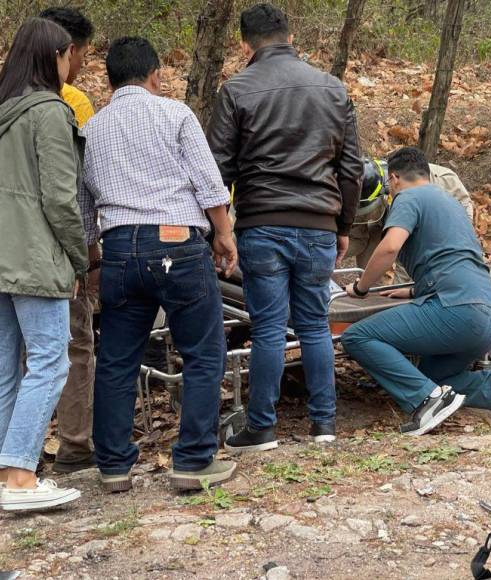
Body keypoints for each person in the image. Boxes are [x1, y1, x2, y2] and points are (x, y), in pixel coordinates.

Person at [81, 37, 237, 492]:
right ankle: (192, 461)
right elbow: (209, 183)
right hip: (177, 243)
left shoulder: (91, 129)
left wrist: (93, 260)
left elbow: (83, 203)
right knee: (203, 353)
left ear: (109, 82)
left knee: (116, 361)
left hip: (118, 250)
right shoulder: (174, 113)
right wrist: (224, 235)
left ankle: (113, 466)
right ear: (155, 76)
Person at [207, 3, 362, 450]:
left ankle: (263, 427)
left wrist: (220, 229)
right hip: (318, 223)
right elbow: (350, 168)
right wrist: (343, 224)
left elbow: (219, 167)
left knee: (270, 326)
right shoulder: (333, 89)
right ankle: (325, 425)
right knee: (314, 323)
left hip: (262, 223)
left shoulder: (236, 89)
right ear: (291, 37)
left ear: (244, 43)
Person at [0, 17, 88, 511]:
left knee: (2, 364)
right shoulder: (49, 112)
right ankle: (21, 474)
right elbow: (62, 200)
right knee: (49, 361)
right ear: (55, 56)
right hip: (35, 258)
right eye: (68, 55)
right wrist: (80, 259)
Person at [340, 148, 491, 436]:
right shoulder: (451, 203)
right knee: (430, 376)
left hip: (455, 310)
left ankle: (427, 402)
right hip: (486, 314)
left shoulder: (408, 197)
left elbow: (390, 247)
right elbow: (454, 258)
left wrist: (360, 287)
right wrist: (414, 289)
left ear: (394, 178)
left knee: (357, 336)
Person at [348, 158, 474, 284]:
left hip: (447, 216)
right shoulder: (367, 180)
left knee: (410, 253)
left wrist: (395, 294)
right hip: (395, 204)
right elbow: (356, 237)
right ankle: (371, 289)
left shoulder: (408, 197)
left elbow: (395, 247)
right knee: (373, 232)